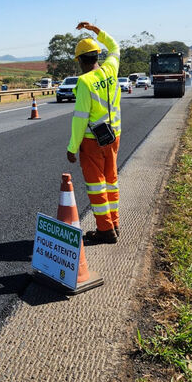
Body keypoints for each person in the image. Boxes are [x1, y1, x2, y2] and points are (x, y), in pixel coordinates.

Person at [66, 21, 121, 244]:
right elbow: (115, 46)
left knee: (96, 185)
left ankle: (105, 230)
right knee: (111, 181)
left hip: (92, 141)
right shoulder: (111, 69)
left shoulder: (84, 82)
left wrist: (72, 148)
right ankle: (114, 223)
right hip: (114, 135)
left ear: (80, 61)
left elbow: (80, 120)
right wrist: (96, 30)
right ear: (97, 54)